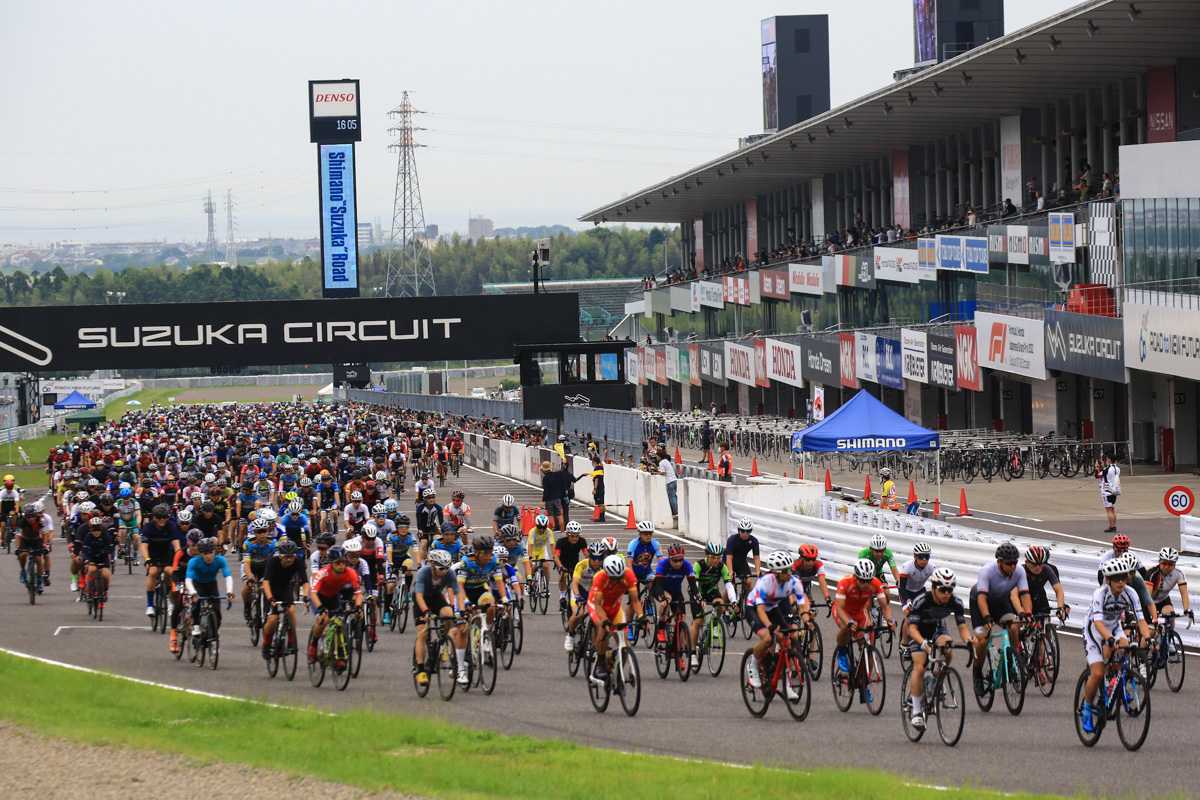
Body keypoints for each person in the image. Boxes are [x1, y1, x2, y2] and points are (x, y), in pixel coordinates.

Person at [1079, 558, 1151, 733]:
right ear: (1108, 580)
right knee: (1097, 673)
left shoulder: (1131, 592)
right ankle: (1087, 710)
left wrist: (1148, 639)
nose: (1121, 582)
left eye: (1123, 578)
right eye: (1116, 578)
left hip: (1114, 627)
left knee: (1124, 647)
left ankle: (1116, 684)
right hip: (1094, 631)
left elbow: (1141, 619)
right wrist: (1109, 639)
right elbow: (1097, 624)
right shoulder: (1100, 594)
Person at [906, 568, 974, 730]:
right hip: (918, 632)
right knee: (920, 667)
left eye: (950, 589)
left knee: (948, 647)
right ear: (934, 587)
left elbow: (962, 628)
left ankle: (938, 675)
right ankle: (916, 712)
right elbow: (912, 629)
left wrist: (969, 640)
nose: (946, 593)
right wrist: (923, 643)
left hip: (937, 629)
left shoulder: (955, 603)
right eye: (942, 589)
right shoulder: (921, 601)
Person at [969, 543, 1032, 694]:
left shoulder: (1019, 571)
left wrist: (1027, 612)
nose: (1013, 566)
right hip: (980, 603)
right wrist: (986, 617)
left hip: (1001, 603)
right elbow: (982, 598)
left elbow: (1024, 594)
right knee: (983, 640)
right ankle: (977, 674)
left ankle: (1011, 661)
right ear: (999, 562)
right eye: (1009, 563)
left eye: (1015, 562)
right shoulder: (987, 571)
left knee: (1013, 627)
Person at [744, 551, 811, 692]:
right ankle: (753, 667)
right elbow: (761, 610)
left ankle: (787, 685)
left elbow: (801, 602)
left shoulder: (793, 582)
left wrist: (806, 620)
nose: (790, 572)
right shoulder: (765, 582)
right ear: (776, 573)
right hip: (754, 608)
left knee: (787, 640)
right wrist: (770, 626)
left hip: (773, 608)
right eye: (786, 571)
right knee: (768, 638)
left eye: (791, 568)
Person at [412, 548, 468, 687]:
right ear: (432, 566)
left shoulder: (449, 573)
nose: (444, 571)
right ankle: (420, 669)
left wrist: (461, 611)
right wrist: (425, 611)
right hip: (421, 600)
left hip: (436, 598)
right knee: (423, 633)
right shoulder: (424, 573)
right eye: (441, 568)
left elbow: (458, 591)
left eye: (447, 567)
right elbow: (418, 595)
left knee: (449, 614)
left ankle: (443, 640)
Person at [833, 559, 894, 681]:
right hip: (843, 611)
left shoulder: (875, 583)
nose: (866, 584)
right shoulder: (845, 583)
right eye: (862, 580)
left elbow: (885, 607)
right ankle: (842, 651)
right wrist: (849, 622)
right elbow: (839, 609)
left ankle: (864, 683)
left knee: (869, 646)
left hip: (860, 613)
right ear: (855, 577)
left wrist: (890, 620)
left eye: (869, 580)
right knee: (846, 625)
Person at [586, 554, 643, 680]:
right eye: (615, 578)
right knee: (603, 628)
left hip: (614, 607)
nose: (619, 581)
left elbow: (635, 601)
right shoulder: (599, 578)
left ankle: (618, 676)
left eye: (620, 577)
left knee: (625, 643)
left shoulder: (629, 575)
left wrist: (641, 616)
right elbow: (598, 605)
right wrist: (605, 620)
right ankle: (600, 664)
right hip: (597, 606)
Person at [651, 542, 704, 668]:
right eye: (675, 561)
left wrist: (698, 596)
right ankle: (661, 627)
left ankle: (678, 655)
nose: (678, 563)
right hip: (661, 589)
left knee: (681, 620)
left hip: (676, 591)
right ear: (669, 558)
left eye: (681, 560)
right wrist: (662, 597)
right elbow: (657, 584)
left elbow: (692, 584)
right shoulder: (662, 564)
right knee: (667, 600)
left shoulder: (686, 565)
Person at [308, 545, 364, 664]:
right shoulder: (323, 573)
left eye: (343, 562)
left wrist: (358, 607)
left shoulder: (351, 573)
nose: (341, 565)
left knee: (339, 623)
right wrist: (320, 608)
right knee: (323, 620)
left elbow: (358, 593)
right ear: (331, 563)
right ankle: (313, 646)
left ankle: (338, 656)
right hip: (318, 598)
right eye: (337, 562)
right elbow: (313, 594)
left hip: (333, 598)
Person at [260, 538, 309, 661]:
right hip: (271, 589)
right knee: (273, 619)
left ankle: (291, 640)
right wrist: (270, 598)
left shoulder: (297, 563)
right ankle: (266, 643)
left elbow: (305, 582)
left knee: (291, 611)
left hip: (284, 589)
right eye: (286, 556)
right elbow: (265, 582)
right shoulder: (272, 562)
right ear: (280, 556)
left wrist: (306, 596)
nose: (289, 559)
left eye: (292, 556)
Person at [184, 537, 235, 637]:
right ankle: (196, 625)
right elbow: (188, 580)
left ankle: (214, 633)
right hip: (197, 583)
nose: (208, 557)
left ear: (214, 551)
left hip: (211, 584)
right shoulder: (193, 562)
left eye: (210, 552)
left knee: (217, 612)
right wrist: (193, 593)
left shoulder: (220, 560)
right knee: (196, 603)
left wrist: (229, 591)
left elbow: (228, 576)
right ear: (200, 553)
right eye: (205, 554)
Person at [139, 504, 182, 616]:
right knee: (153, 572)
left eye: (164, 517)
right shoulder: (148, 527)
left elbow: (176, 546)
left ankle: (169, 600)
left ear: (167, 517)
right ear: (153, 517)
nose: (161, 520)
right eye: (158, 517)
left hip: (165, 551)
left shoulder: (172, 526)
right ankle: (149, 605)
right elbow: (143, 546)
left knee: (170, 572)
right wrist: (147, 560)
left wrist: (178, 560)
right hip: (152, 552)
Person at [566, 541, 608, 651]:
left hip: (595, 593)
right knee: (579, 614)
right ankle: (570, 635)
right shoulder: (581, 565)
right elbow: (574, 584)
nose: (597, 561)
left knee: (597, 618)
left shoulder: (605, 567)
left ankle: (594, 645)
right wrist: (578, 596)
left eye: (600, 558)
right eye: (594, 558)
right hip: (580, 590)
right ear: (589, 556)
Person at [897, 541, 936, 650]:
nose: (924, 560)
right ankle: (905, 644)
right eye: (921, 557)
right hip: (906, 592)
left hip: (919, 591)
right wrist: (908, 600)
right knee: (908, 615)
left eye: (927, 557)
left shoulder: (931, 568)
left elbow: (936, 586)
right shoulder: (907, 567)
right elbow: (902, 588)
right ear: (915, 557)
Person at [1022, 545, 1069, 622]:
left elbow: (1059, 591)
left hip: (1038, 594)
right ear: (1027, 562)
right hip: (1023, 596)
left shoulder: (1048, 569)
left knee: (1047, 619)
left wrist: (1060, 608)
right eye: (1034, 564)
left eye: (1040, 564)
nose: (1037, 567)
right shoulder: (1021, 571)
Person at [724, 517, 761, 605]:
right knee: (731, 586)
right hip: (729, 562)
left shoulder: (754, 541)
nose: (745, 534)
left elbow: (756, 557)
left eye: (748, 531)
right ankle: (725, 609)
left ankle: (749, 604)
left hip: (741, 562)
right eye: (743, 531)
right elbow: (729, 558)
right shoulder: (732, 540)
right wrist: (730, 571)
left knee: (748, 582)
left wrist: (758, 571)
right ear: (739, 530)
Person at [553, 520, 587, 610]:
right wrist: (561, 567)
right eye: (572, 536)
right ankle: (562, 596)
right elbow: (556, 557)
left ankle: (576, 596)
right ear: (567, 534)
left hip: (574, 563)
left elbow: (587, 556)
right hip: (562, 562)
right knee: (564, 574)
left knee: (578, 579)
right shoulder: (561, 542)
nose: (575, 538)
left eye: (577, 536)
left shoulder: (582, 541)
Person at [858, 533, 901, 601]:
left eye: (882, 551)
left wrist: (898, 581)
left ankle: (883, 610)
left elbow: (893, 568)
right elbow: (862, 571)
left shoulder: (888, 553)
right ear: (871, 549)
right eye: (877, 551)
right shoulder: (864, 554)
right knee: (867, 598)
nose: (879, 554)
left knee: (887, 593)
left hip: (878, 573)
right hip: (866, 575)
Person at [792, 543, 832, 609]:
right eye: (807, 559)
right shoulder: (794, 565)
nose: (810, 562)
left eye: (813, 559)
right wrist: (794, 601)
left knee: (812, 612)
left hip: (806, 589)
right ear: (800, 558)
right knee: (794, 609)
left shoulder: (818, 565)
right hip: (793, 589)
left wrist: (827, 597)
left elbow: (822, 582)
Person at [1097, 453, 1120, 533]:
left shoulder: (1108, 470)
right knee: (1113, 509)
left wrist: (1097, 467)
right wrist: (1103, 467)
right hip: (1115, 490)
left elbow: (1098, 475)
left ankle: (1112, 526)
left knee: (1109, 510)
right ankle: (1113, 525)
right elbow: (1107, 473)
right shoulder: (1117, 468)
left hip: (1107, 491)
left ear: (1109, 460)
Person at [657, 449, 679, 525]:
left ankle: (676, 511)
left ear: (659, 456)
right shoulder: (666, 461)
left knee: (671, 496)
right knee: (674, 496)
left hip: (669, 481)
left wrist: (656, 472)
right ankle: (677, 510)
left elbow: (663, 473)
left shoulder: (661, 463)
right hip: (674, 479)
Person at [589, 456, 606, 520]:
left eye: (593, 461)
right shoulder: (601, 468)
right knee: (601, 502)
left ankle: (601, 517)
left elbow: (596, 479)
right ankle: (602, 516)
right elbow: (602, 465)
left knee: (600, 503)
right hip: (602, 487)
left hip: (598, 488)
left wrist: (595, 489)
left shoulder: (596, 470)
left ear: (595, 462)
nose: (592, 463)